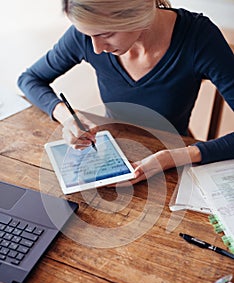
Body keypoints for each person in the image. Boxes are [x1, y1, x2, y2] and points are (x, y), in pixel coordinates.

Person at [18, 0, 234, 184]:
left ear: (138, 12)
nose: (96, 49)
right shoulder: (86, 36)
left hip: (173, 159)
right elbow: (29, 79)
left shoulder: (199, 38)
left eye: (107, 34)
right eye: (89, 35)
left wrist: (171, 158)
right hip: (115, 149)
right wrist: (66, 116)